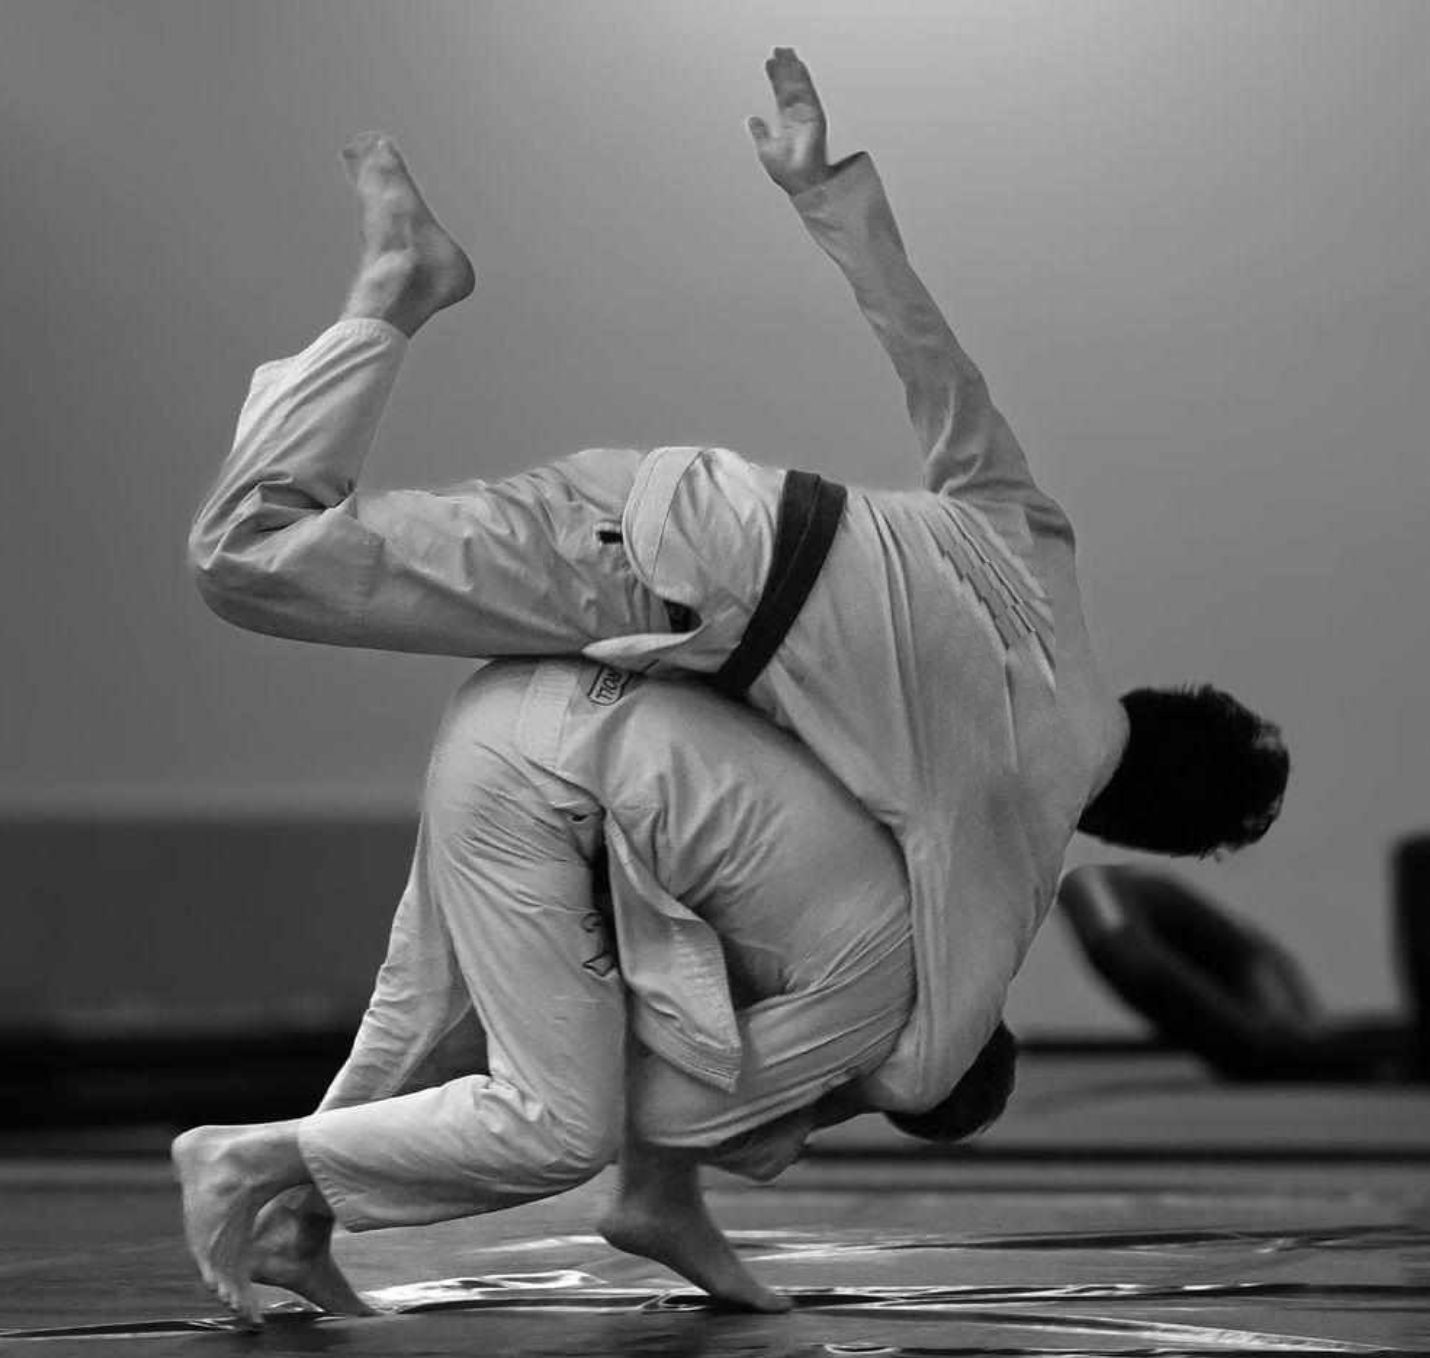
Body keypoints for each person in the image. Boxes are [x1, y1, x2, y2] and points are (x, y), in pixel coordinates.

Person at [189, 49, 1288, 1119]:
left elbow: (936, 366)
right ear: (1134, 834)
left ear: (1153, 699)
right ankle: (399, 287)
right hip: (656, 578)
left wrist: (827, 194)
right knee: (249, 555)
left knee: (467, 939)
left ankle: (324, 1163)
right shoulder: (1017, 834)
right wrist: (836, 1091)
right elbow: (919, 1076)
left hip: (667, 514)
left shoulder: (1044, 555)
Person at [172, 659, 1015, 1326]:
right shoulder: (881, 1003)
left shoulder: (924, 900)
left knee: (429, 1013)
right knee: (562, 1125)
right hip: (547, 785)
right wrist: (790, 1120)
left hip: (521, 707)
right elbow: (667, 1113)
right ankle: (240, 1159)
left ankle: (294, 1227)